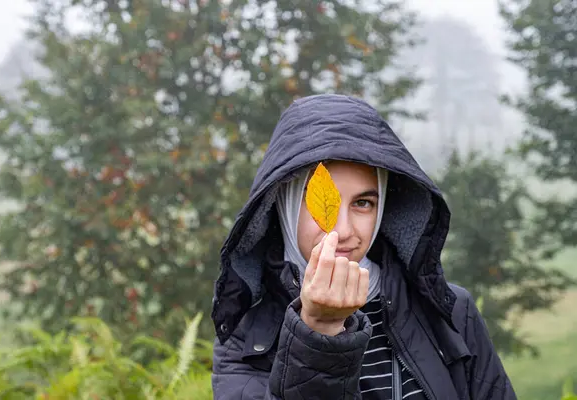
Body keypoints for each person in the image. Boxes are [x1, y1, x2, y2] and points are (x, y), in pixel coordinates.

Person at [210, 94, 516, 399]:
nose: (342, 231)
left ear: (382, 209)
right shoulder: (245, 338)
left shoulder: (452, 313)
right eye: (319, 202)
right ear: (284, 205)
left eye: (363, 203)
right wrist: (319, 331)